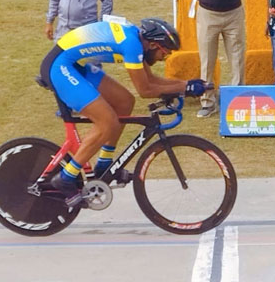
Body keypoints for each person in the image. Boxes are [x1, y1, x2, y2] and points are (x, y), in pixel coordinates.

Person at [39, 18, 206, 206]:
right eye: (164, 53)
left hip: (74, 64)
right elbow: (145, 90)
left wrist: (187, 84)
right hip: (60, 67)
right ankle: (66, 177)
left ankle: (104, 165)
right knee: (107, 122)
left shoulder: (137, 42)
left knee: (125, 101)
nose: (162, 58)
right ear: (152, 44)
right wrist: (185, 89)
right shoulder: (132, 45)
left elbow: (151, 80)